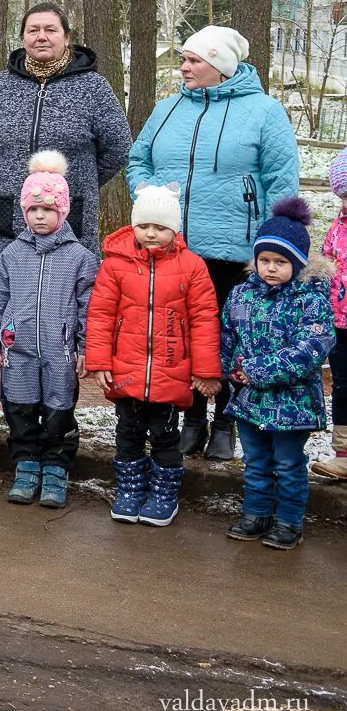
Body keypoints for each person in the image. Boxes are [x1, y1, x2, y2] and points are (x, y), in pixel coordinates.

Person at [126, 25, 300, 462]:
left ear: (221, 65)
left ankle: (225, 422)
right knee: (181, 336)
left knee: (227, 337)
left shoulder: (264, 111)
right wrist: (147, 194)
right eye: (183, 58)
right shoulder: (167, 109)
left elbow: (281, 180)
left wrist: (274, 240)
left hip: (236, 252)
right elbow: (138, 158)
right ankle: (193, 419)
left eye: (194, 60)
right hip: (175, 248)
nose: (184, 67)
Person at [83, 184, 221, 527]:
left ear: (174, 229)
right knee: (127, 432)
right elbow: (100, 313)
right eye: (144, 225)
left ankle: (163, 493)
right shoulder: (116, 264)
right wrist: (99, 359)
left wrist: (205, 370)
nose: (151, 233)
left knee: (164, 434)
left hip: (171, 370)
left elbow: (204, 319)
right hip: (125, 370)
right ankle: (129, 490)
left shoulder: (192, 266)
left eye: (160, 227)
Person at [0, 3, 132, 258]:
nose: (41, 36)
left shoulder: (94, 88)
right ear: (23, 37)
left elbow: (118, 147)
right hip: (4, 216)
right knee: (2, 292)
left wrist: (78, 179)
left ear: (66, 37)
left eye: (50, 30)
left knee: (64, 292)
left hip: (69, 216)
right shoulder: (0, 86)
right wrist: (10, 171)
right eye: (33, 30)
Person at [0, 151, 99, 510]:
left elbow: (88, 307)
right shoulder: (13, 254)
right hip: (18, 351)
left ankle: (55, 469)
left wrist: (85, 346)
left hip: (59, 352)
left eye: (48, 210)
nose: (40, 216)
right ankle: (26, 466)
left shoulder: (80, 257)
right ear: (24, 212)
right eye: (33, 210)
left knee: (58, 411)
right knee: (19, 409)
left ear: (62, 212)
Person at [222, 198, 334, 550]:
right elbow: (227, 336)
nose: (271, 268)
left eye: (280, 262)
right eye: (264, 260)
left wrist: (255, 370)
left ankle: (288, 521)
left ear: (297, 264)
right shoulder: (241, 295)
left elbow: (310, 349)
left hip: (293, 404)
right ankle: (256, 512)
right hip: (250, 402)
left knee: (287, 464)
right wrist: (231, 368)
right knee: (255, 461)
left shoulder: (310, 299)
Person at [316, 152, 347, 482]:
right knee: (343, 386)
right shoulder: (338, 229)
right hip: (340, 323)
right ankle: (343, 454)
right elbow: (327, 265)